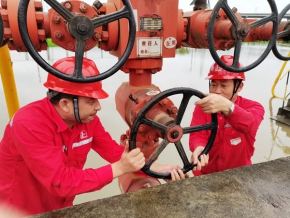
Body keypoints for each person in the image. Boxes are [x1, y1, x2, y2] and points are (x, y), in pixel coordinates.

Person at [0, 57, 187, 216]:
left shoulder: (86, 119)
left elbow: (113, 151)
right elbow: (60, 182)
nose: (98, 106)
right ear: (65, 104)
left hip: (61, 206)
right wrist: (120, 168)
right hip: (19, 210)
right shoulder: (30, 124)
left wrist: (158, 169)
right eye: (91, 100)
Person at [189, 55, 265, 176]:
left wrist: (229, 107)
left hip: (240, 175)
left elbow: (250, 124)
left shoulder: (254, 107)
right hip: (206, 174)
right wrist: (198, 147)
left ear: (239, 87)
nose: (217, 91)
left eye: (224, 85)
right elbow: (197, 133)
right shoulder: (202, 107)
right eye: (213, 84)